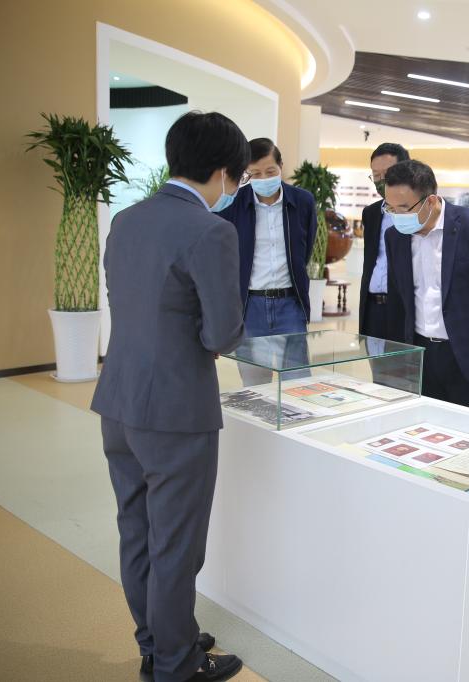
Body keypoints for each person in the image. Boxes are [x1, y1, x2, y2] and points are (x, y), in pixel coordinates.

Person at [91, 111, 249, 682]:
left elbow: (128, 302)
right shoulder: (212, 231)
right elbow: (223, 333)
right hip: (177, 409)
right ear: (224, 171)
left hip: (119, 399)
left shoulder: (127, 219)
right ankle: (177, 664)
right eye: (239, 177)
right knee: (177, 543)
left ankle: (157, 641)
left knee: (137, 531)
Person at [383, 160, 469, 412]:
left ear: (431, 201)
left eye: (404, 208)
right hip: (420, 354)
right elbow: (399, 297)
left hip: (468, 354)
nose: (397, 216)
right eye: (390, 208)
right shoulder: (395, 237)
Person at [219, 138, 317, 336]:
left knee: (295, 358)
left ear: (281, 166)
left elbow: (304, 250)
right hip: (248, 306)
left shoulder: (303, 201)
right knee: (250, 358)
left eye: (270, 171)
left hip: (291, 304)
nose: (263, 178)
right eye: (255, 173)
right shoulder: (233, 203)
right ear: (247, 173)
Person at [359, 143, 410, 339]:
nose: (381, 181)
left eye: (387, 174)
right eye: (376, 175)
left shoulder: (418, 213)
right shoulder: (371, 213)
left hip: (403, 311)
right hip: (373, 309)